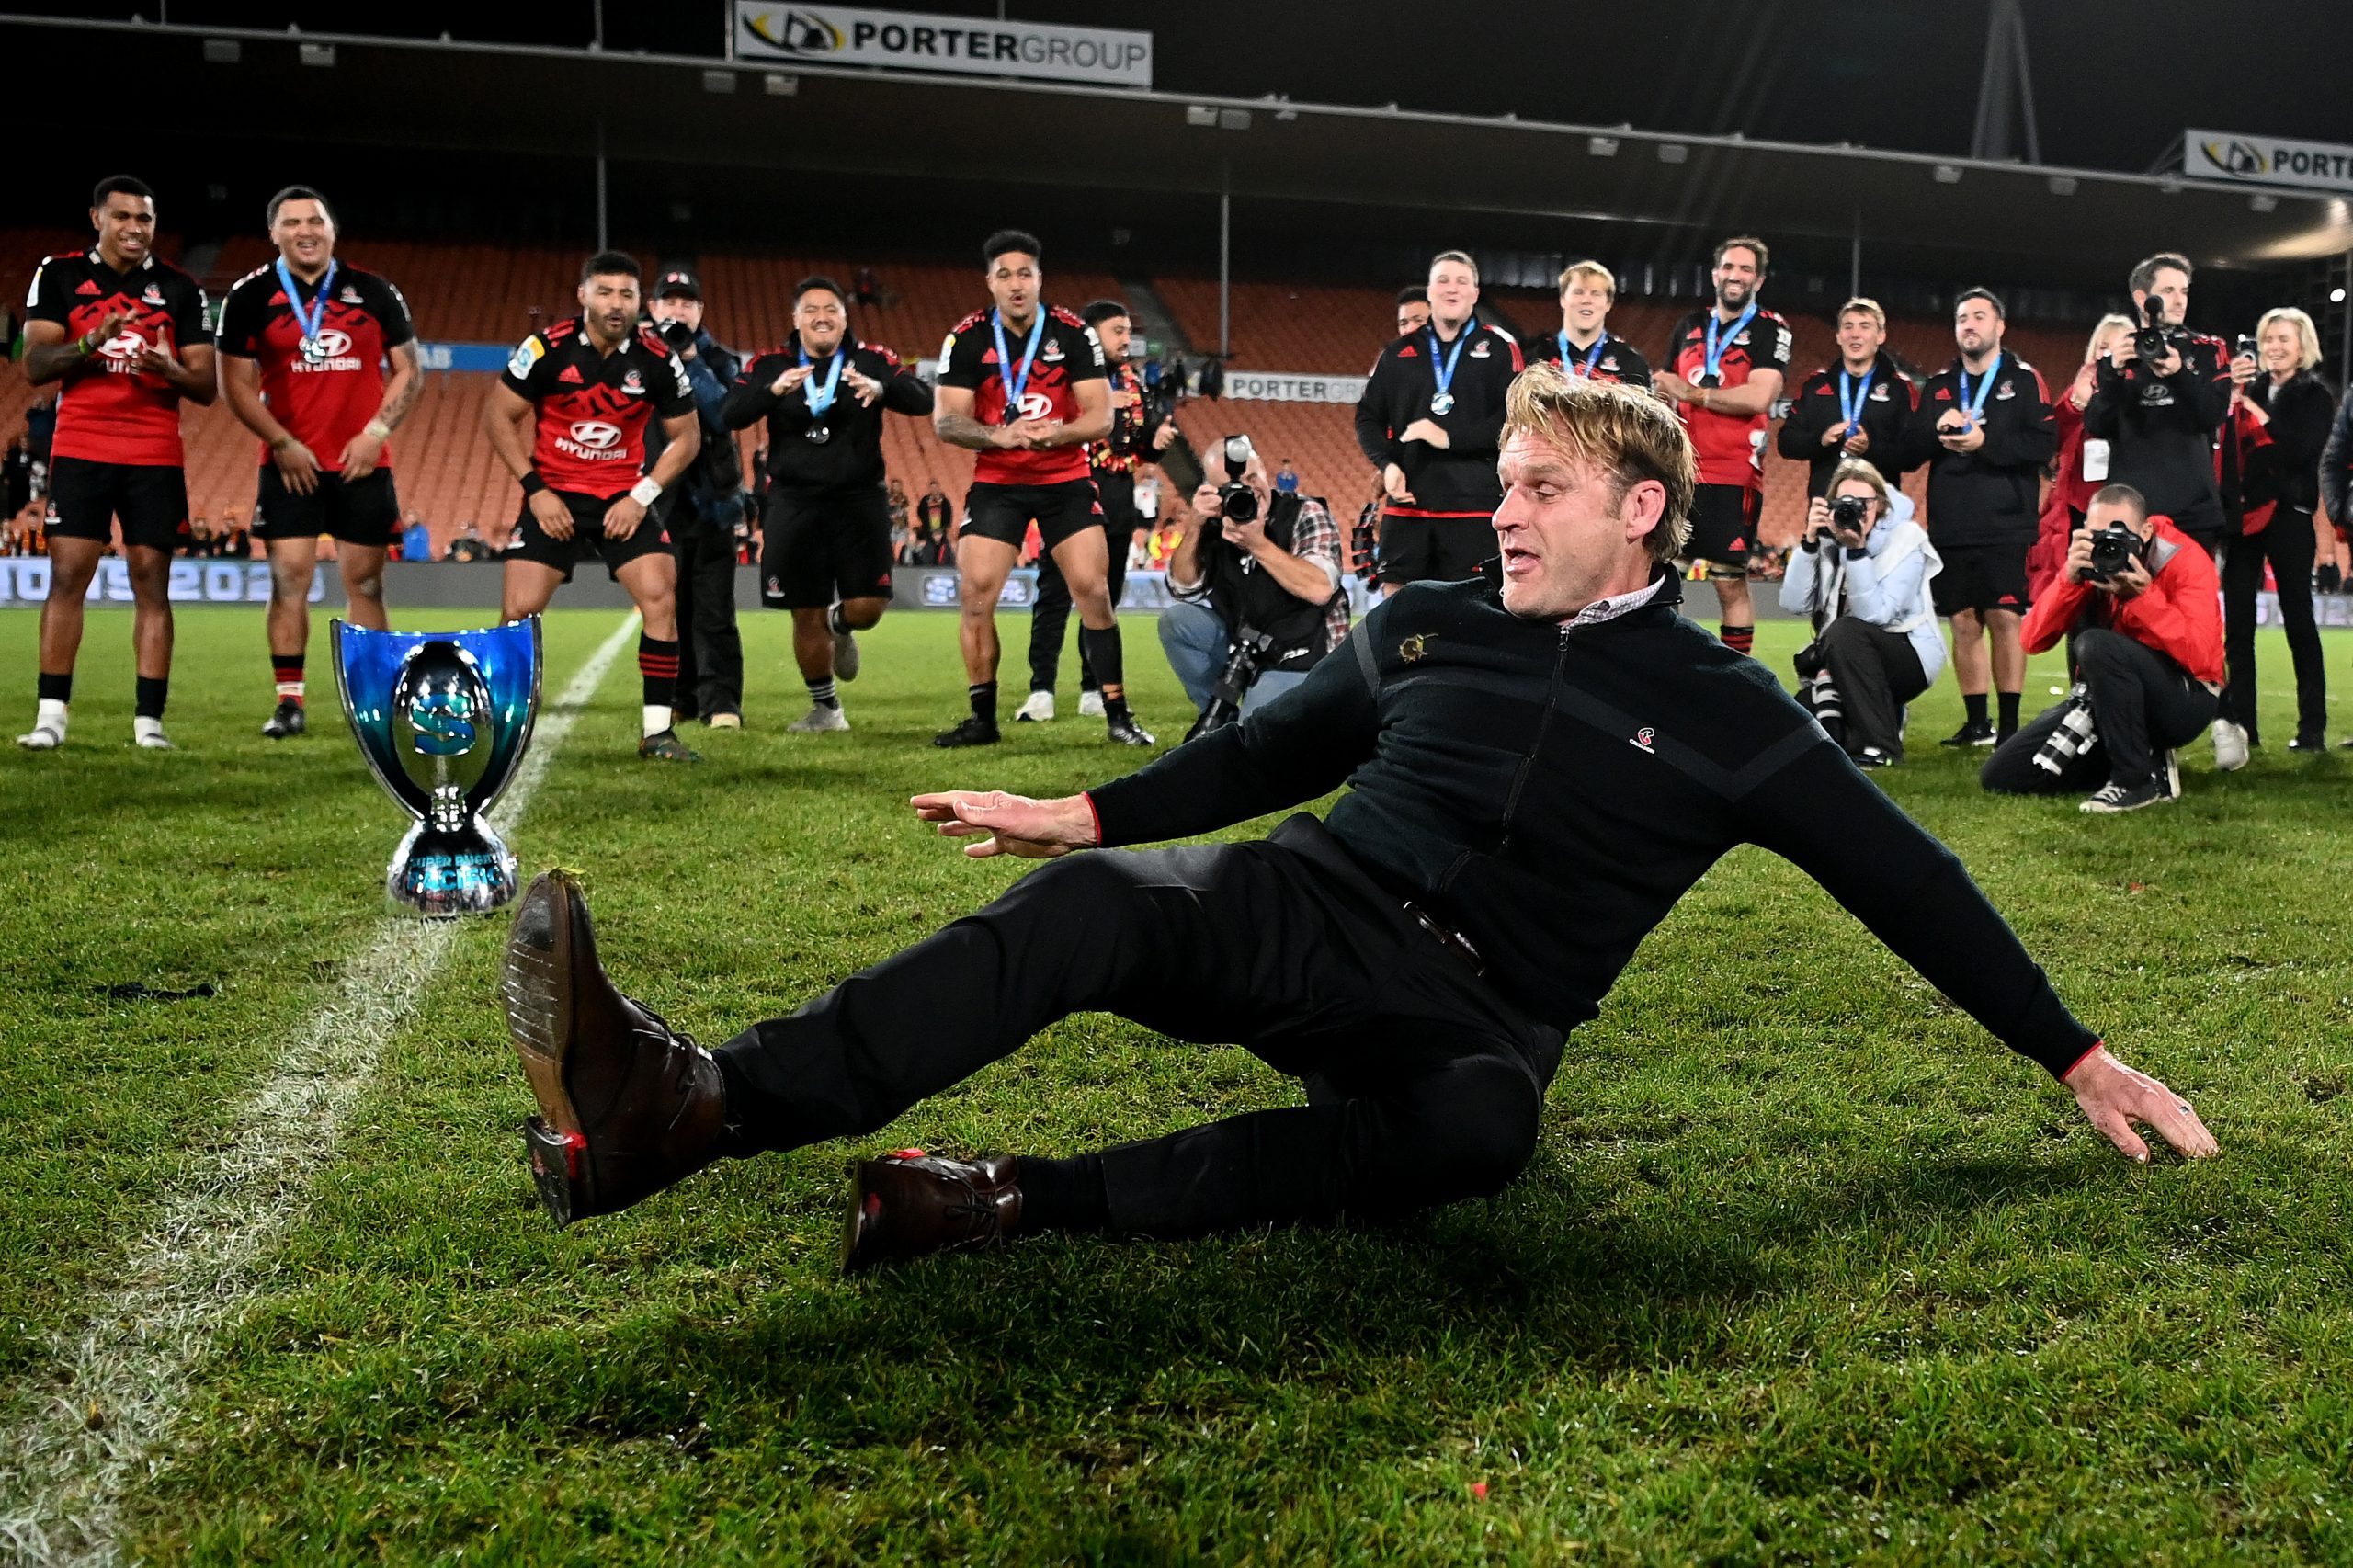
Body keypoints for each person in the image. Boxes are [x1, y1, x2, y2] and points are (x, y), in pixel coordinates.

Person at [494, 365, 2217, 1272]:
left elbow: (1908, 879)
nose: (1507, 510)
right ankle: (699, 1104)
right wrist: (1083, 811)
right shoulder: (1425, 620)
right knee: (1092, 922)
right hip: (1307, 903)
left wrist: (2075, 1055)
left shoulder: (1736, 716)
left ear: (1643, 512)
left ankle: (1006, 1203)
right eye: (1506, 482)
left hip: (1479, 1016)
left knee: (1481, 1136)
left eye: (1543, 489)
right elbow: (1261, 759)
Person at [930, 230, 1152, 748]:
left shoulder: (1074, 333)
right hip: (998, 482)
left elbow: (1100, 417)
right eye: (1004, 275)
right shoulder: (966, 338)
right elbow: (946, 421)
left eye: (1024, 273)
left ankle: (1117, 714)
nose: (1015, 284)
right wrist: (996, 435)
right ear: (990, 282)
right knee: (976, 593)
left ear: (1038, 279)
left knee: (1094, 590)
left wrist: (1058, 433)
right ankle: (982, 718)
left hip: (1065, 479)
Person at [17, 175, 215, 752]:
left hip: (155, 453)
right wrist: (88, 344)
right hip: (81, 447)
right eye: (123, 216)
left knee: (153, 583)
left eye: (145, 219)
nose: (135, 228)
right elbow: (33, 365)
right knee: (68, 577)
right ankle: (51, 718)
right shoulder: (59, 275)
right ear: (97, 218)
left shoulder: (180, 288)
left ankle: (149, 725)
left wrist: (167, 369)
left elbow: (205, 385)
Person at [483, 250, 703, 762]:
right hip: (553, 497)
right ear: (582, 295)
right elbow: (498, 417)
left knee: (660, 599)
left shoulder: (656, 358)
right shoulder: (545, 349)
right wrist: (535, 489)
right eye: (604, 292)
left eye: (626, 294)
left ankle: (657, 733)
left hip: (620, 501)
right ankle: (507, 724)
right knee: (518, 610)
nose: (615, 303)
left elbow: (686, 439)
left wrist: (640, 496)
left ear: (639, 303)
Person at [218, 187, 420, 736]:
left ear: (333, 229)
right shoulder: (250, 295)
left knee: (368, 585)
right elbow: (234, 384)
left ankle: (375, 701)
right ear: (274, 233)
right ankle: (290, 702)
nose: (305, 231)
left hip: (362, 463)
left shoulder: (375, 291)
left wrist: (375, 433)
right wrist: (282, 443)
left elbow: (408, 369)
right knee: (289, 580)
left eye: (315, 221)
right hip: (290, 465)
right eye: (292, 223)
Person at [724, 275, 933, 733]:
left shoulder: (873, 360)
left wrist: (883, 390)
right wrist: (771, 393)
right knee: (804, 610)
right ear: (796, 320)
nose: (822, 317)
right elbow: (728, 413)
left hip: (859, 501)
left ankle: (842, 625)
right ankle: (826, 709)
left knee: (868, 608)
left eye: (831, 310)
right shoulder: (770, 364)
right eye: (812, 310)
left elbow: (924, 401)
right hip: (793, 503)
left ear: (844, 319)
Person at [1983, 483, 2222, 812]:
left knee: (2096, 644)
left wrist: (2144, 597)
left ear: (2146, 530)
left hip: (2183, 697)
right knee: (2004, 775)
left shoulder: (2184, 558)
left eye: (2119, 533)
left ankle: (2133, 781)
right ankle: (2141, 759)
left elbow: (2203, 658)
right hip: (2105, 700)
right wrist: (2069, 578)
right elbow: (2032, 640)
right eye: (2097, 534)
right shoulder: (2089, 564)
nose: (2109, 544)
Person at [1904, 288, 2055, 749]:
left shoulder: (2025, 380)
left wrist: (1983, 442)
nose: (1969, 325)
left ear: (1999, 326)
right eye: (1962, 318)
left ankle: (2010, 726)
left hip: (2006, 520)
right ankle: (1976, 724)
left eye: (1978, 317)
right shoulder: (1940, 385)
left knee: (2005, 617)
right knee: (1964, 621)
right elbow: (1911, 453)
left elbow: (2043, 445)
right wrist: (1936, 430)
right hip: (1951, 521)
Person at [1016, 299, 1174, 723]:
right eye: (1117, 331)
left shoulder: (1133, 383)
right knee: (1053, 593)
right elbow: (1049, 429)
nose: (1126, 339)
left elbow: (1136, 447)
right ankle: (1041, 689)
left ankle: (1093, 687)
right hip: (1070, 490)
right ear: (1093, 336)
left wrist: (1152, 443)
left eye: (1127, 331)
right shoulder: (1065, 377)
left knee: (1106, 595)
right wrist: (1103, 406)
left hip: (1118, 495)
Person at [1651, 235, 1793, 656]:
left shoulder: (1771, 328)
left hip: (1734, 475)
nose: (1735, 275)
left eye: (1746, 269)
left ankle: (1737, 678)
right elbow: (1666, 388)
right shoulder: (1689, 326)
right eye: (1729, 267)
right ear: (1715, 274)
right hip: (1681, 474)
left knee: (1730, 583)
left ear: (1759, 279)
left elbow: (1759, 397)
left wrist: (1693, 395)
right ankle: (1661, 668)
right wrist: (1664, 396)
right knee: (1661, 580)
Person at [1355, 249, 1522, 590]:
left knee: (1472, 617)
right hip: (1408, 506)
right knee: (1397, 614)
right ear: (1429, 293)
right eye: (1442, 281)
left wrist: (1448, 437)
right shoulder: (1398, 353)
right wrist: (1387, 465)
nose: (1452, 288)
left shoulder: (1501, 348)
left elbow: (1515, 422)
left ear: (1475, 293)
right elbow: (1367, 418)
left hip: (1473, 508)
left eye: (1462, 281)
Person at [2213, 306, 2334, 759]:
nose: (2274, 348)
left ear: (2303, 345)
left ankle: (2312, 729)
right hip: (2244, 518)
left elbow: (2300, 450)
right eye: (2267, 340)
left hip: (2288, 515)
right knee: (2238, 626)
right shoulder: (2249, 389)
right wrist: (2233, 397)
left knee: (2299, 621)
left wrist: (2256, 413)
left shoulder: (2315, 395)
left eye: (2283, 339)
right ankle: (2245, 727)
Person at [1159, 437, 1347, 723]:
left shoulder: (1305, 512)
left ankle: (1251, 723)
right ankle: (1219, 719)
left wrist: (1258, 545)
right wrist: (1195, 526)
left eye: (1253, 476)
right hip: (1251, 648)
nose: (1249, 489)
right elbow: (1182, 586)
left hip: (1308, 654)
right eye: (1233, 486)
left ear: (1264, 471)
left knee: (1257, 732)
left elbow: (1320, 588)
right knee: (1178, 622)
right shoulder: (1216, 522)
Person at [1779, 459, 1943, 767]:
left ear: (1880, 505)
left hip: (1908, 655)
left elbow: (1875, 616)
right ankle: (1880, 716)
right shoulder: (1829, 541)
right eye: (1844, 502)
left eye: (1863, 502)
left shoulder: (1906, 539)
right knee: (1804, 726)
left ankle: (1881, 746)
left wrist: (1857, 552)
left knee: (1845, 632)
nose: (1854, 510)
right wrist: (1810, 544)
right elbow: (1794, 603)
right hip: (1846, 655)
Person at [646, 266, 748, 729]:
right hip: (659, 502)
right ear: (653, 309)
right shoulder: (638, 358)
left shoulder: (722, 360)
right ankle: (679, 698)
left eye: (687, 302)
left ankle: (722, 702)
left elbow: (725, 414)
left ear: (700, 311)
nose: (678, 310)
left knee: (714, 609)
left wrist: (688, 356)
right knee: (668, 606)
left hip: (714, 505)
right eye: (670, 302)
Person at [2082, 253, 2233, 555]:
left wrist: (2180, 375)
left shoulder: (2208, 350)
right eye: (2168, 291)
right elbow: (2097, 425)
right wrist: (2112, 374)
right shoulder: (2119, 355)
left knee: (2191, 603)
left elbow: (2212, 416)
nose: (2180, 300)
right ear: (2142, 298)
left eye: (2184, 291)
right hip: (2131, 513)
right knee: (2129, 601)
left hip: (2192, 513)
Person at [2027, 315, 2135, 604]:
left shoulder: (2138, 395)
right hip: (2078, 509)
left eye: (2117, 347)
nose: (2107, 354)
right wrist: (2077, 402)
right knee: (2078, 599)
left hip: (2124, 507)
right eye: (2103, 346)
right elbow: (2052, 440)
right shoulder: (2078, 390)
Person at [1776, 298, 1917, 500]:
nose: (1855, 334)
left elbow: (1913, 454)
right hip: (1827, 510)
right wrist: (1821, 440)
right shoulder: (1816, 385)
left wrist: (1872, 448)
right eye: (1848, 327)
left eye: (1865, 326)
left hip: (1879, 514)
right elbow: (1786, 442)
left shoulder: (1900, 388)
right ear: (1839, 336)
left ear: (1881, 336)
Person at [1523, 260, 1652, 392]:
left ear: (1608, 303)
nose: (1586, 300)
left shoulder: (1631, 363)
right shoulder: (1536, 357)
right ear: (1562, 299)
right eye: (1578, 292)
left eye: (1596, 294)